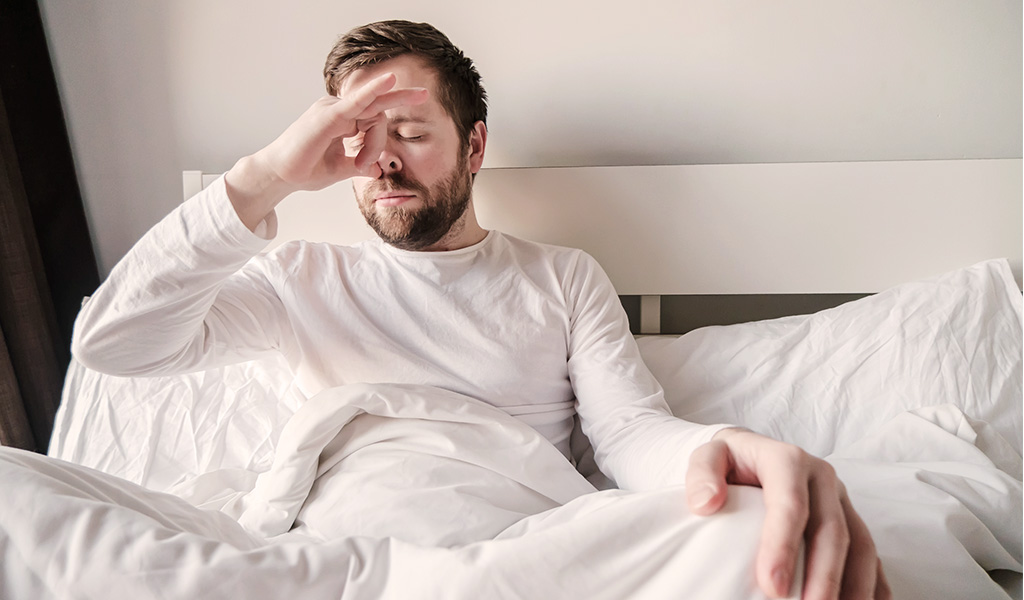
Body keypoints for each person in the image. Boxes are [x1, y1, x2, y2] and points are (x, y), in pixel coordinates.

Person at [73, 20, 889, 600]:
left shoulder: (560, 279)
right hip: (330, 556)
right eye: (360, 135)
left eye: (411, 131)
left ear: (474, 146)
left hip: (513, 553)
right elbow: (115, 345)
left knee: (760, 532)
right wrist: (264, 176)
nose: (384, 157)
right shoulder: (298, 276)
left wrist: (729, 450)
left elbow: (632, 437)